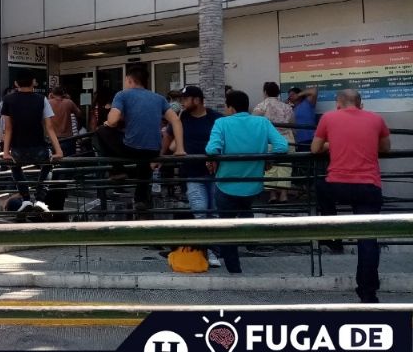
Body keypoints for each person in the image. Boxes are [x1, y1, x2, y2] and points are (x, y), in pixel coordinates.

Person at [311, 89, 390, 303]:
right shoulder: (376, 119)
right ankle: (368, 292)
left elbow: (315, 148)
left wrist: (332, 143)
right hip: (368, 187)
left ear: (338, 103)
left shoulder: (328, 118)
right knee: (368, 240)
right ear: (360, 104)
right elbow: (385, 147)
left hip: (337, 186)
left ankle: (332, 231)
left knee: (320, 187)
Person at [205, 90, 289, 274]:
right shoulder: (262, 122)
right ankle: (248, 238)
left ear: (231, 107)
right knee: (243, 213)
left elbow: (212, 149)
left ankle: (234, 268)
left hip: (226, 185)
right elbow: (282, 146)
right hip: (253, 186)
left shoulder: (221, 123)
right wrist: (267, 157)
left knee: (226, 226)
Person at [95, 65, 185, 218]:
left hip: (131, 148)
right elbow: (176, 120)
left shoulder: (122, 95)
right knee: (144, 161)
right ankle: (140, 200)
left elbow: (113, 120)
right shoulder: (159, 98)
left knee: (100, 132)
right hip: (153, 149)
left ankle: (117, 170)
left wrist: (108, 123)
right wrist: (180, 149)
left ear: (130, 80)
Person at [161, 87, 222, 266]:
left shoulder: (216, 118)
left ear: (197, 100)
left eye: (185, 99)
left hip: (215, 174)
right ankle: (207, 252)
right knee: (200, 212)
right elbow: (168, 135)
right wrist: (160, 156)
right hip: (192, 173)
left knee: (216, 214)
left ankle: (215, 251)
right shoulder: (181, 118)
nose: (182, 102)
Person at [1, 69, 64, 219]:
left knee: (15, 167)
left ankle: (26, 199)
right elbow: (49, 127)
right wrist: (59, 151)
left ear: (16, 83)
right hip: (39, 148)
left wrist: (5, 152)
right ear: (33, 83)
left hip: (17, 149)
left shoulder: (8, 100)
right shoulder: (41, 99)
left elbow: (8, 128)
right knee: (48, 163)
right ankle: (40, 200)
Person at [253, 82, 295, 203]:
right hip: (288, 141)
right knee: (285, 168)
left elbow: (254, 123)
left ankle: (272, 195)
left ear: (265, 92)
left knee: (270, 168)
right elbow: (293, 125)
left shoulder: (261, 106)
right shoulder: (287, 107)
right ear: (278, 93)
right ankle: (284, 195)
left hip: (269, 142)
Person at [48, 87, 82, 157]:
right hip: (68, 137)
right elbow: (79, 113)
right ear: (63, 94)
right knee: (69, 161)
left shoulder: (48, 103)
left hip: (52, 138)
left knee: (51, 161)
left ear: (52, 94)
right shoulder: (68, 102)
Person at [288, 87, 318, 151]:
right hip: (298, 142)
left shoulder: (308, 102)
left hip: (311, 139)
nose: (291, 97)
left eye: (292, 94)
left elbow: (314, 90)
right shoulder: (290, 109)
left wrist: (298, 95)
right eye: (289, 96)